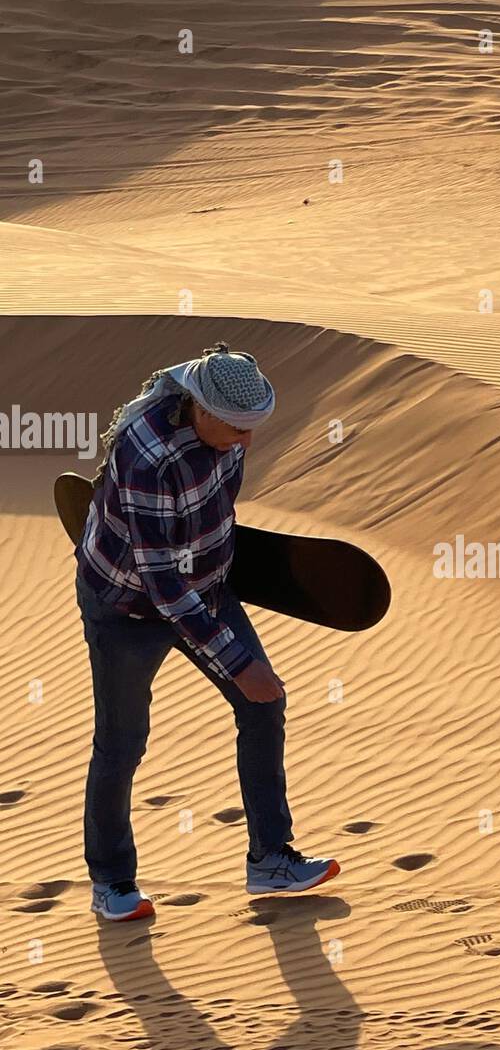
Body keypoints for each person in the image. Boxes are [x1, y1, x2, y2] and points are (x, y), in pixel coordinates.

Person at [76, 341, 339, 921]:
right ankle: (112, 883)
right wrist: (237, 662)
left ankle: (270, 859)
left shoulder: (227, 425)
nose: (248, 443)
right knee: (121, 744)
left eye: (253, 429)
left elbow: (217, 508)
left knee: (265, 705)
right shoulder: (147, 453)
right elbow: (161, 584)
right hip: (127, 607)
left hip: (206, 587)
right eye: (239, 430)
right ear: (202, 410)